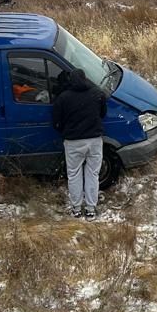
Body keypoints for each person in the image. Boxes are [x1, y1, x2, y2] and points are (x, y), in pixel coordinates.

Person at [52, 68, 107, 219]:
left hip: (73, 142)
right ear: (85, 79)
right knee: (92, 174)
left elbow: (56, 121)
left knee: (74, 174)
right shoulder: (97, 94)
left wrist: (65, 130)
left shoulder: (63, 98)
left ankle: (76, 209)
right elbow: (102, 113)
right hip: (94, 140)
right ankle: (90, 209)